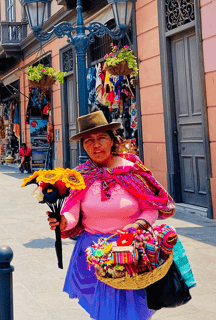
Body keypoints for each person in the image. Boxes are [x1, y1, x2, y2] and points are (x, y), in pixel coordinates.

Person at [46, 111, 175, 320]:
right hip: (96, 255)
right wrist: (63, 221)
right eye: (89, 140)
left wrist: (139, 225)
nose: (95, 145)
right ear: (84, 146)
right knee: (103, 314)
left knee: (136, 312)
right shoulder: (80, 176)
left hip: (132, 252)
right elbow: (72, 210)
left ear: (113, 140)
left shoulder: (131, 170)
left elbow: (151, 207)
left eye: (101, 138)